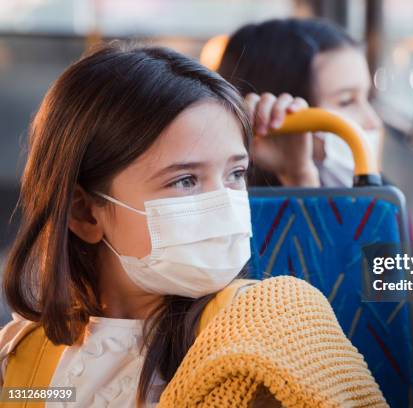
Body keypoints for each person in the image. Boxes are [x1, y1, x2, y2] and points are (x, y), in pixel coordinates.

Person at [0, 43, 386, 407]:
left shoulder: (269, 329)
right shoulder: (22, 355)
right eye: (185, 180)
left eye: (236, 173)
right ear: (86, 214)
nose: (223, 203)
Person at [218, 18, 384, 188]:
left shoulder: (383, 195)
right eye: (346, 101)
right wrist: (298, 175)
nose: (373, 122)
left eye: (368, 98)